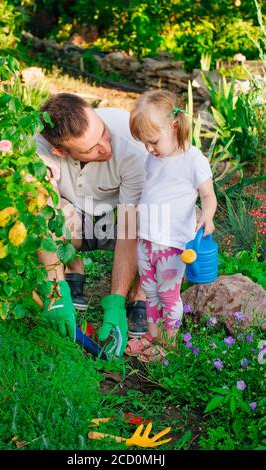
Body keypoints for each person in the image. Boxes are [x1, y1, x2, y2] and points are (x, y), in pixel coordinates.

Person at [35, 93, 148, 357]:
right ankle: (71, 268)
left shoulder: (131, 144)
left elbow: (130, 227)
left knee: (160, 222)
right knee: (42, 212)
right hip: (75, 215)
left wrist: (115, 301)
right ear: (61, 151)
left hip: (118, 218)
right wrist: (54, 290)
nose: (105, 148)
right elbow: (42, 216)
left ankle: (139, 295)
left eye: (103, 134)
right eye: (91, 149)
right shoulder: (38, 149)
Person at [125, 89, 217, 362]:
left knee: (168, 295)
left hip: (173, 245)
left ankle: (170, 343)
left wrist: (207, 216)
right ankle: (153, 335)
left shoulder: (193, 159)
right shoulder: (153, 158)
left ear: (174, 126)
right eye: (145, 144)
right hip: (147, 240)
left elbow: (208, 195)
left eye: (152, 141)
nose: (149, 149)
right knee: (150, 292)